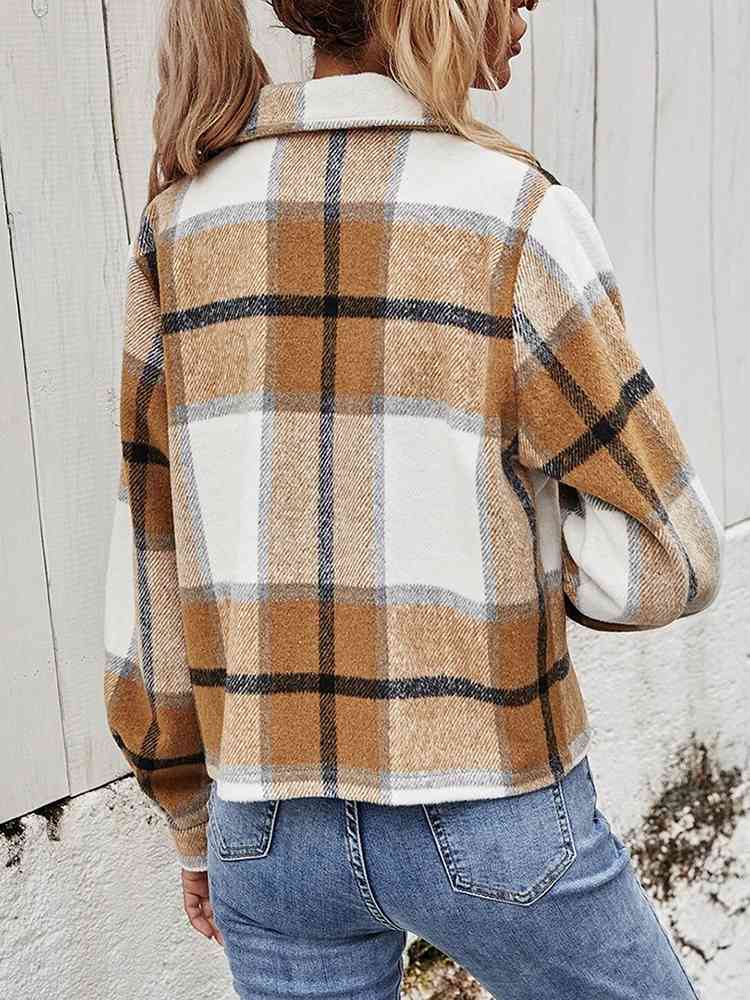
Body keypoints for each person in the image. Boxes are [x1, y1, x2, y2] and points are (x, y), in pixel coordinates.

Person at [102, 1, 724, 997]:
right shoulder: (514, 213)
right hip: (491, 806)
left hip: (264, 823)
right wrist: (508, 539)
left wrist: (187, 816)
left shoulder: (179, 224)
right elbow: (668, 558)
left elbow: (152, 553)